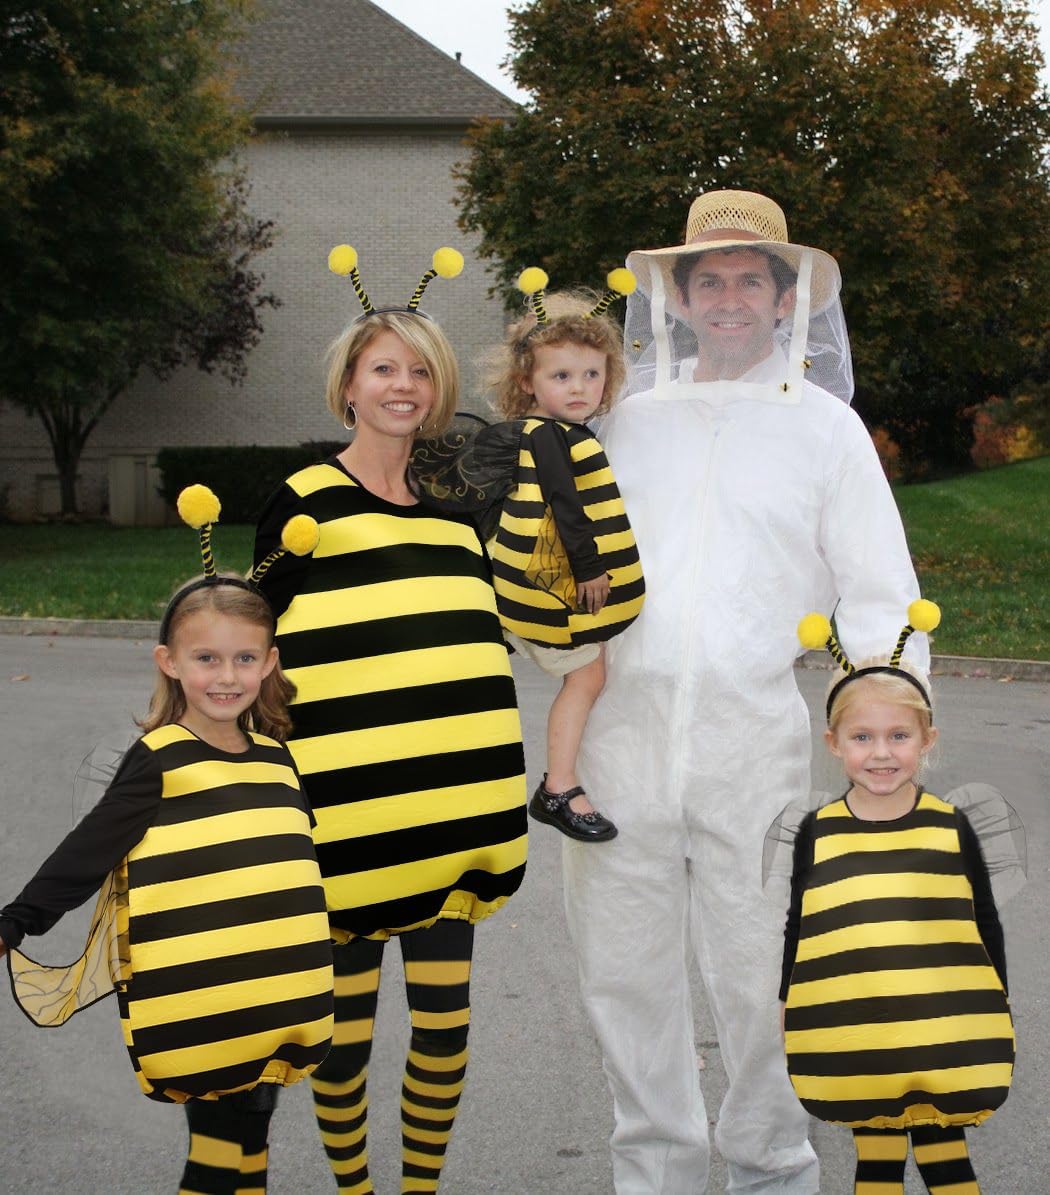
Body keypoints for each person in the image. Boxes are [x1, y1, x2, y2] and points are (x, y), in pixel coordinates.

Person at [562, 189, 929, 1194]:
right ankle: (658, 1172)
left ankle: (771, 1166)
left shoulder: (825, 431)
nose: (729, 298)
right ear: (678, 298)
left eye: (750, 280)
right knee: (624, 977)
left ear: (785, 298)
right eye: (710, 279)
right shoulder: (621, 424)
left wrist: (886, 732)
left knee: (767, 976)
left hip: (753, 746)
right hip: (616, 746)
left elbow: (878, 595)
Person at [253, 246, 528, 1194]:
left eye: (420, 370)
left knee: (446, 1031)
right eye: (383, 368)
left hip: (454, 824)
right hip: (345, 822)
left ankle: (420, 1188)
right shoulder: (304, 504)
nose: (402, 385)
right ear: (349, 385)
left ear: (438, 389)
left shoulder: (460, 513)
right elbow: (253, 646)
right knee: (344, 1041)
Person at [0, 538, 335, 1195]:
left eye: (244, 658)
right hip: (204, 1000)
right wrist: (17, 920)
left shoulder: (276, 758)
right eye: (206, 658)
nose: (226, 676)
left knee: (253, 1134)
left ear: (269, 662)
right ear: (170, 662)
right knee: (216, 1153)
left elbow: (289, 865)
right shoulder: (161, 759)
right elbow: (87, 850)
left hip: (274, 995)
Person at [780, 605, 1014, 1195]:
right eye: (862, 737)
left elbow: (983, 920)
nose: (881, 753)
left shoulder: (951, 827)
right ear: (834, 743)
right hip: (863, 1029)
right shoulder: (817, 832)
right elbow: (803, 924)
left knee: (946, 1158)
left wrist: (999, 999)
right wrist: (788, 997)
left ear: (926, 739)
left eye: (898, 736)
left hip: (940, 1028)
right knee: (877, 1161)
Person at [415, 271, 645, 842]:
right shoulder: (549, 436)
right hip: (553, 588)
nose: (580, 388)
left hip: (526, 582)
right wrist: (590, 569)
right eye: (561, 375)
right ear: (528, 381)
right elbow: (566, 506)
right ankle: (558, 786)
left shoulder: (548, 431)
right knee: (587, 676)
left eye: (592, 374)